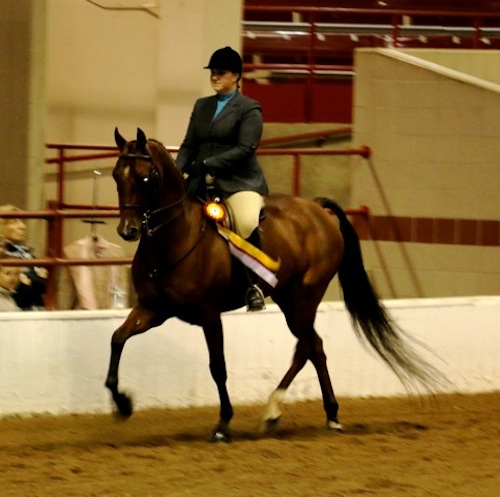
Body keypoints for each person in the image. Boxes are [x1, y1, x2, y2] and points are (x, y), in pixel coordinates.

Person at [175, 46, 269, 311]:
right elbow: (189, 144)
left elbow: (245, 149)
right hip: (198, 179)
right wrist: (175, 171)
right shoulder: (202, 105)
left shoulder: (249, 109)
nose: (215, 77)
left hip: (238, 181)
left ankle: (254, 285)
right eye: (212, 73)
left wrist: (207, 164)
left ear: (236, 76)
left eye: (221, 72)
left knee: (247, 220)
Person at [0, 205, 47, 310]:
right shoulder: (3, 253)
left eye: (21, 221)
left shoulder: (25, 252)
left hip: (37, 309)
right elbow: (22, 289)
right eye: (14, 221)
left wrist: (29, 279)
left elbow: (45, 283)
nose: (23, 226)